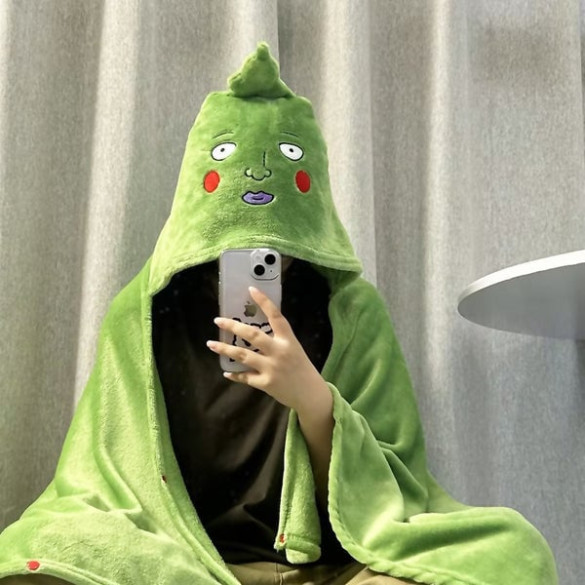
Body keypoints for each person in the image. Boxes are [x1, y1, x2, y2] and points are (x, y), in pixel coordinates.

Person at [0, 43, 557, 585]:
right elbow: (102, 478)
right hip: (183, 564)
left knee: (510, 551)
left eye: (275, 249)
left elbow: (396, 496)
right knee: (36, 552)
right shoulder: (143, 315)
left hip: (336, 571)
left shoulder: (350, 310)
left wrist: (313, 400)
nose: (259, 262)